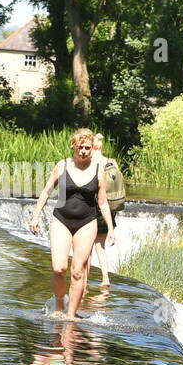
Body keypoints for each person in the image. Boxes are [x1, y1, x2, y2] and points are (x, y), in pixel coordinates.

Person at [29, 129, 116, 319]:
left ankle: (71, 316)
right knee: (58, 268)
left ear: (92, 148)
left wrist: (110, 228)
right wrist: (35, 216)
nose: (84, 151)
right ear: (74, 146)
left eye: (88, 147)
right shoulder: (62, 165)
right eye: (81, 147)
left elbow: (102, 202)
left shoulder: (98, 170)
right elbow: (46, 192)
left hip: (87, 222)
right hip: (61, 220)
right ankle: (59, 305)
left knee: (77, 271)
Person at [88, 133, 118, 288]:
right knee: (100, 246)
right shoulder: (111, 161)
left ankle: (84, 280)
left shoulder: (91, 162)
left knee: (86, 246)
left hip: (92, 208)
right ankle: (105, 278)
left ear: (92, 146)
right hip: (108, 210)